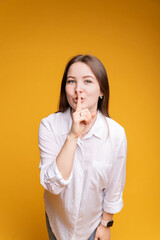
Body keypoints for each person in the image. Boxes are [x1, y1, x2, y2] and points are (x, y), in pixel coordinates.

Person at [38, 54, 127, 240]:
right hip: (58, 222)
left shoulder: (116, 134)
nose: (78, 89)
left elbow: (114, 187)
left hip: (93, 225)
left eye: (87, 81)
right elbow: (53, 185)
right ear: (65, 89)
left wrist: (106, 224)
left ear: (101, 90)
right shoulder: (49, 125)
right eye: (71, 81)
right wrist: (72, 135)